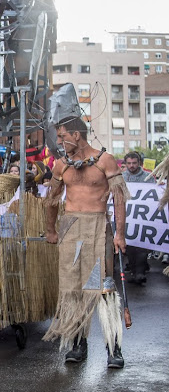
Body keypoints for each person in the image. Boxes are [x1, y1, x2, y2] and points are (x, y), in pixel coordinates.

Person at [44, 117, 130, 369]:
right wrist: (51, 229)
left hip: (97, 225)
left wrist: (120, 234)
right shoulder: (61, 165)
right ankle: (77, 344)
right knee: (73, 287)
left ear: (77, 135)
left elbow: (119, 199)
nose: (60, 141)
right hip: (70, 226)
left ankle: (113, 348)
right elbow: (51, 198)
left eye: (62, 136)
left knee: (103, 286)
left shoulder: (105, 160)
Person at [121, 152, 151, 285]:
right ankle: (135, 271)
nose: (131, 166)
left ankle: (139, 272)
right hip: (126, 216)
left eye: (134, 163)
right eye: (129, 163)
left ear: (139, 163)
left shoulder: (148, 178)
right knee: (129, 246)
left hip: (142, 218)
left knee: (141, 245)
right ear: (126, 164)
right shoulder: (121, 177)